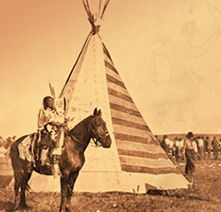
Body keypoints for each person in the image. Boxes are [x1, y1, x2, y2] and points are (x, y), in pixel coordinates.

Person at [38, 96, 66, 177]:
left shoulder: (54, 111)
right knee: (49, 140)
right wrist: (59, 124)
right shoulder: (43, 110)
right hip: (45, 128)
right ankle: (44, 159)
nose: (51, 103)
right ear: (45, 103)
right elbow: (49, 121)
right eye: (49, 102)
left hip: (55, 129)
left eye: (52, 101)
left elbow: (57, 119)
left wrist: (63, 122)